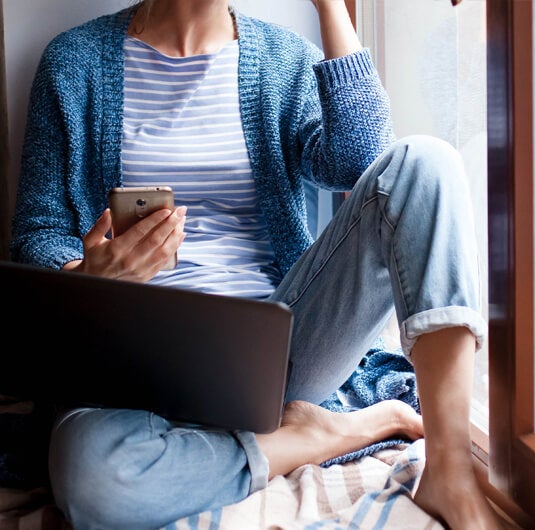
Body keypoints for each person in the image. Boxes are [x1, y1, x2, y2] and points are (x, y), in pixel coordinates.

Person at [10, 0, 505, 529]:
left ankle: (450, 470)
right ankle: (308, 436)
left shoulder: (282, 58)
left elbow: (362, 164)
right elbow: (37, 232)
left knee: (426, 163)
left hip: (277, 348)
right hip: (130, 365)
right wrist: (91, 279)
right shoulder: (73, 61)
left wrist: (331, 7)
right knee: (91, 476)